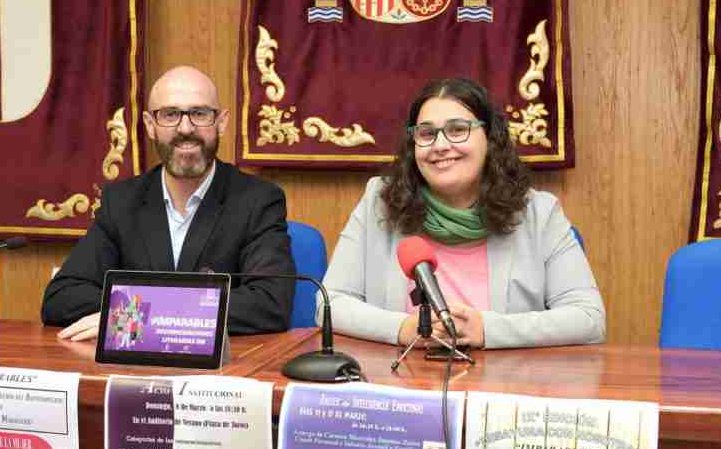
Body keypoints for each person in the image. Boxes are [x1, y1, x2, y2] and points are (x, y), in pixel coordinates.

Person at [318, 77, 605, 349]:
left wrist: (486, 330)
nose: (441, 146)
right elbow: (330, 304)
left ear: (490, 138)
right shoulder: (379, 202)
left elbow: (588, 318)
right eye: (427, 134)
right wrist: (403, 329)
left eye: (457, 130)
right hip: (404, 388)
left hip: (501, 389)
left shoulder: (539, 214)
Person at [42, 66, 295, 339]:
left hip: (218, 373)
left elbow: (270, 304)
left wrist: (144, 317)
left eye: (199, 114)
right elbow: (61, 296)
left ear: (221, 122)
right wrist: (155, 315)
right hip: (134, 369)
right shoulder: (122, 201)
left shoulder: (257, 200)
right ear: (150, 126)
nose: (185, 128)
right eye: (170, 115)